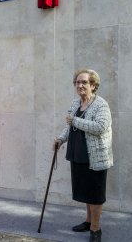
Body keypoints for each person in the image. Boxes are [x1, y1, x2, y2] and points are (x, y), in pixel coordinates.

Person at [54, 69, 113, 242]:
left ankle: (96, 228)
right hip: (77, 154)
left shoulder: (101, 104)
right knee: (86, 193)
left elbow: (100, 127)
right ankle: (88, 222)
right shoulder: (75, 104)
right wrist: (60, 139)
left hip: (95, 157)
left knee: (95, 194)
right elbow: (70, 127)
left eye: (84, 82)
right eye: (77, 82)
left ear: (93, 85)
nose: (80, 85)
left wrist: (75, 121)